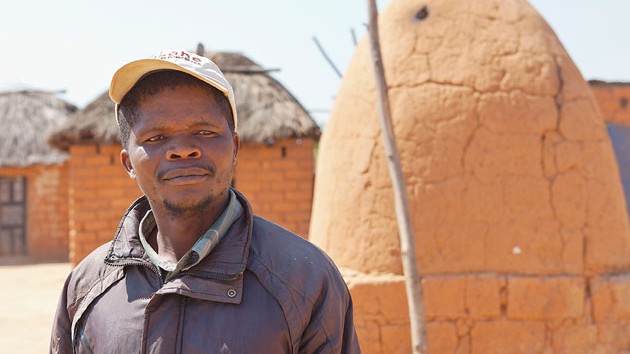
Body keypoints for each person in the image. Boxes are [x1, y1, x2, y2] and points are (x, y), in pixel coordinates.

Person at [50, 49, 360, 354]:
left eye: (204, 131)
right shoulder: (86, 287)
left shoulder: (304, 281)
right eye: (156, 138)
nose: (183, 150)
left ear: (235, 147)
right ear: (128, 162)